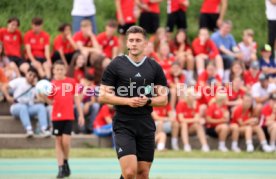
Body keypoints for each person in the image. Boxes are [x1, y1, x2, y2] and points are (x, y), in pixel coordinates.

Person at [99, 26, 168, 179]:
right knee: (130, 172)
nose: (134, 43)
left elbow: (163, 99)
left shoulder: (154, 66)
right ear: (127, 44)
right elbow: (103, 96)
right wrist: (127, 101)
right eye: (131, 40)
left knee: (143, 173)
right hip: (124, 123)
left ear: (145, 43)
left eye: (138, 40)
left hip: (145, 124)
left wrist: (148, 100)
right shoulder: (116, 64)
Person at [48, 60, 84, 178]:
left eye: (61, 69)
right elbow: (50, 101)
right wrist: (42, 97)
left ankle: (66, 161)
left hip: (68, 116)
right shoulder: (52, 84)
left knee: (66, 142)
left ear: (65, 70)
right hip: (56, 117)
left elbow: (77, 99)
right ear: (53, 70)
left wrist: (81, 115)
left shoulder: (71, 82)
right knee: (58, 141)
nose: (59, 71)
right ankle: (60, 168)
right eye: (57, 69)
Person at [2, 67, 51, 138]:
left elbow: (40, 99)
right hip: (16, 107)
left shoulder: (35, 86)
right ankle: (28, 129)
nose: (31, 77)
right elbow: (4, 87)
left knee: (41, 107)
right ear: (26, 74)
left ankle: (44, 129)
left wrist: (40, 91)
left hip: (29, 108)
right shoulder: (19, 81)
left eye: (34, 76)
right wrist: (8, 97)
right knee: (23, 107)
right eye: (30, 74)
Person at [176, 87, 210, 152]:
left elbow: (197, 118)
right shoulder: (181, 103)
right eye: (192, 95)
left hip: (191, 127)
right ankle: (186, 145)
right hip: (181, 127)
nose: (194, 96)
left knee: (198, 125)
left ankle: (205, 146)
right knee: (184, 124)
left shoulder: (196, 104)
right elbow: (181, 119)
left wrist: (196, 120)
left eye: (194, 95)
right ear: (188, 96)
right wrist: (195, 120)